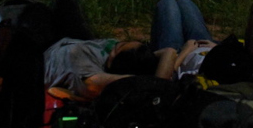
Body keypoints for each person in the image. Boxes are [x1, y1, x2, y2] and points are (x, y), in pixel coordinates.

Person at [43, 36, 176, 100]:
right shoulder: (122, 55)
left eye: (120, 46)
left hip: (46, 46)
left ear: (113, 58)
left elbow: (91, 84)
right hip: (72, 39)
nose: (117, 44)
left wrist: (147, 82)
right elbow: (169, 52)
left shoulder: (88, 70)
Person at [150, 0, 218, 79]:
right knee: (185, 2)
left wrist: (186, 50)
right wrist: (217, 47)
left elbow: (169, 75)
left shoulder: (201, 82)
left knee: (167, 3)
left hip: (177, 55)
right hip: (207, 46)